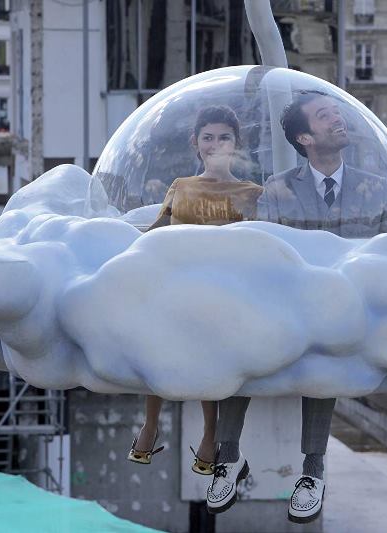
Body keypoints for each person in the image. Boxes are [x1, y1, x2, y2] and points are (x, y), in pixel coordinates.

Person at [206, 90, 387, 523]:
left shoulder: (379, 189)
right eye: (325, 116)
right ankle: (228, 455)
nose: (337, 120)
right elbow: (268, 251)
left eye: (337, 114)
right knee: (243, 346)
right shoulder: (276, 189)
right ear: (305, 139)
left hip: (345, 312)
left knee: (326, 358)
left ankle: (313, 468)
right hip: (289, 306)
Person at [128, 105, 263, 476]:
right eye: (208, 137)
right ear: (195, 142)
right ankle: (150, 424)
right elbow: (157, 229)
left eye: (224, 137)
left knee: (208, 354)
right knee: (155, 343)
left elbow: (260, 246)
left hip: (222, 290)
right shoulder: (181, 186)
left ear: (237, 143)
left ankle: (209, 433)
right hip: (176, 283)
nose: (215, 144)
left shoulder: (252, 192)